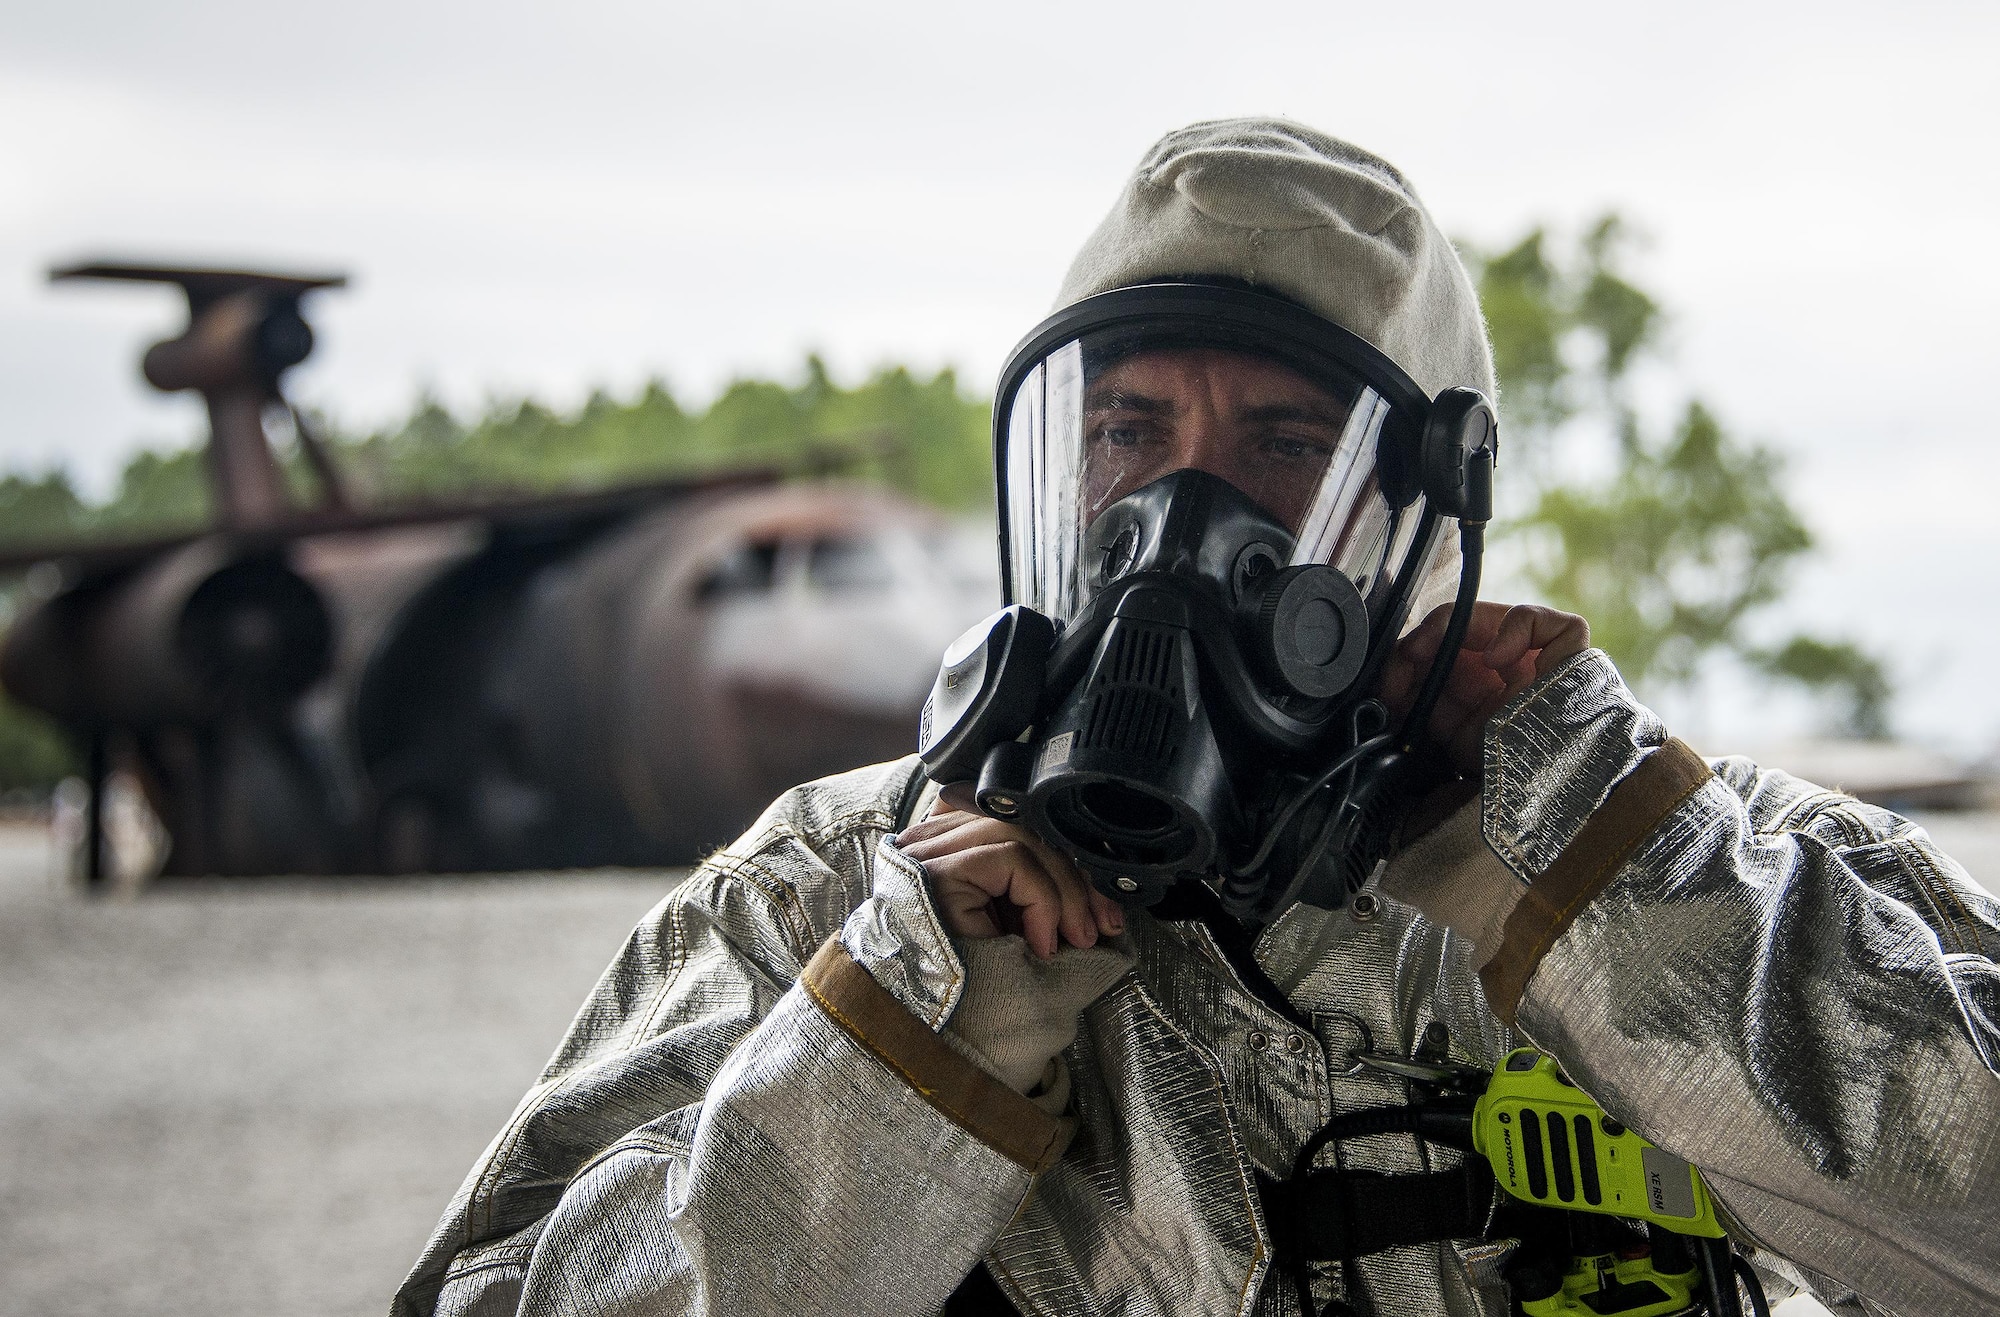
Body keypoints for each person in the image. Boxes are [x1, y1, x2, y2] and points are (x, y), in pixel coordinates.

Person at [392, 119, 1998, 1317]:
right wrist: (903, 1029)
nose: (1180, 513)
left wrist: (1611, 897)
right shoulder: (815, 903)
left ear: (1423, 520)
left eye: (1287, 440)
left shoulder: (1720, 866)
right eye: (1128, 430)